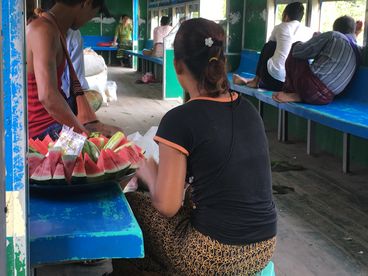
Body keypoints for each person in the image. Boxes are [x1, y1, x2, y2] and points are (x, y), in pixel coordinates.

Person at [125, 18, 277, 275]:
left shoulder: (179, 120)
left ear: (177, 65)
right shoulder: (249, 109)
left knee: (132, 206)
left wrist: (146, 167)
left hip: (213, 255)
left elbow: (167, 206)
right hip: (264, 247)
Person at [27, 0, 121, 141]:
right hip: (41, 130)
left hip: (52, 122)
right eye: (92, 14)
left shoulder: (56, 29)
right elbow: (48, 97)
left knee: (117, 134)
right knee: (105, 146)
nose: (88, 21)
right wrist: (84, 134)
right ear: (87, 3)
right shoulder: (43, 30)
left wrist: (89, 126)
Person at [272, 15, 362, 104]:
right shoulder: (357, 49)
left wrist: (314, 39)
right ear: (353, 31)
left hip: (310, 88)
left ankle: (288, 91)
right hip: (326, 97)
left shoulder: (333, 36)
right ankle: (299, 96)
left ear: (335, 28)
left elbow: (298, 52)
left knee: (296, 46)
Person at [233, 2, 313, 91]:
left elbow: (267, 49)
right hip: (294, 83)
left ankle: (256, 80)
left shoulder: (281, 27)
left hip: (275, 79)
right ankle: (253, 81)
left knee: (269, 45)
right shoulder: (309, 31)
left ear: (286, 16)